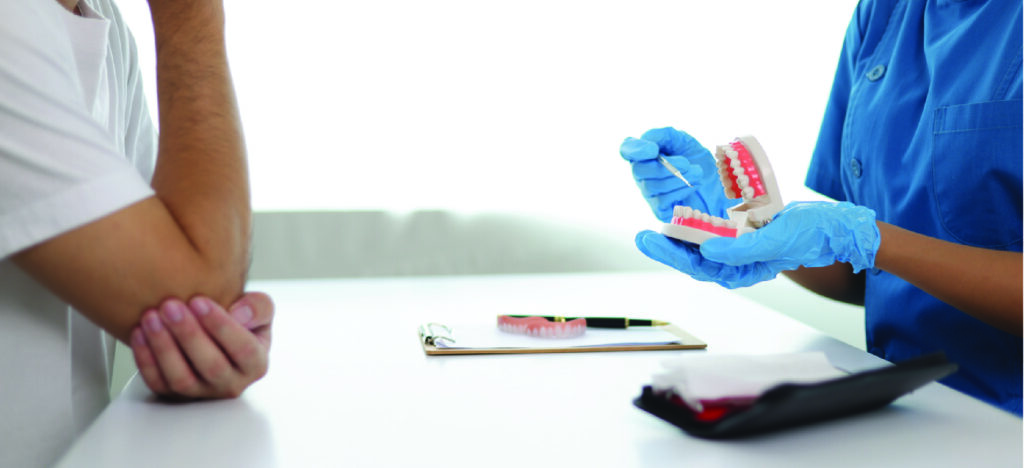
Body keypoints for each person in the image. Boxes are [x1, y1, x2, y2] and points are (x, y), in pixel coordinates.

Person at [620, 0, 1022, 415]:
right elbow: (868, 279)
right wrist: (747, 227)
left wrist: (868, 239)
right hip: (901, 402)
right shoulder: (885, 14)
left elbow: (873, 246)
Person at [0, 0, 274, 465]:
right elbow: (198, 284)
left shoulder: (98, 22)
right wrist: (191, 13)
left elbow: (199, 295)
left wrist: (211, 336)